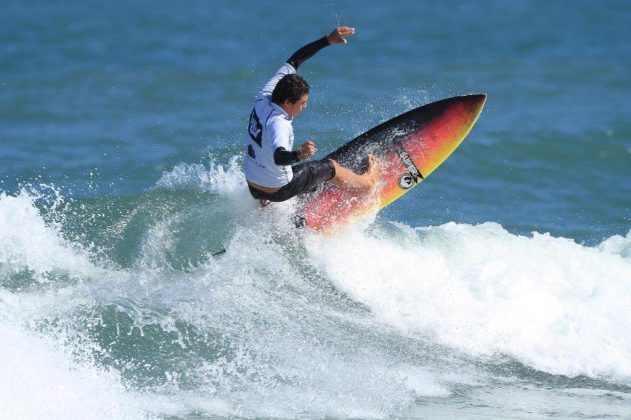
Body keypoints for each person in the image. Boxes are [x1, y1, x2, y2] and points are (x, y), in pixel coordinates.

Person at [243, 26, 381, 204]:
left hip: (253, 185)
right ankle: (367, 184)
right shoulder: (279, 124)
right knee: (329, 167)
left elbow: (295, 61)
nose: (305, 106)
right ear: (287, 102)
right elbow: (279, 157)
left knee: (265, 154)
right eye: (302, 103)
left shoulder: (265, 96)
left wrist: (326, 40)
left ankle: (264, 201)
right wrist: (299, 155)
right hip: (279, 190)